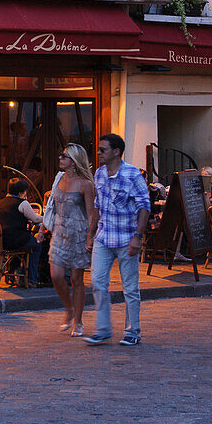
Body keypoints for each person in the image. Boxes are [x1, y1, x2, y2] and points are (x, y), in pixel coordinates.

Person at [84, 133, 150, 347]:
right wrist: (91, 233)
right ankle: (103, 329)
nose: (99, 153)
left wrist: (137, 237)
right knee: (97, 281)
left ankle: (133, 331)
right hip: (104, 236)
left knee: (130, 287)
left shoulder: (133, 174)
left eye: (103, 149)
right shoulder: (99, 174)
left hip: (126, 237)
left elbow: (144, 206)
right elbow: (97, 205)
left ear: (116, 151)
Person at [47, 144, 96, 338]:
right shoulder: (59, 178)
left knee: (77, 279)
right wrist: (44, 228)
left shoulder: (86, 184)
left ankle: (79, 320)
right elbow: (52, 205)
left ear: (74, 161)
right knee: (56, 275)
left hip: (78, 232)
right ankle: (69, 309)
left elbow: (91, 212)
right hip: (60, 232)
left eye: (64, 156)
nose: (60, 159)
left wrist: (90, 236)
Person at [0, 178, 44, 286]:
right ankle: (31, 279)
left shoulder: (1, 202)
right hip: (16, 240)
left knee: (26, 243)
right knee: (37, 245)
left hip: (1, 241)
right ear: (21, 192)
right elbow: (35, 219)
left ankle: (12, 274)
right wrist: (46, 218)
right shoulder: (22, 203)